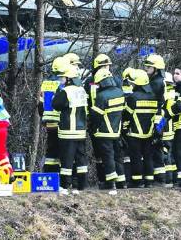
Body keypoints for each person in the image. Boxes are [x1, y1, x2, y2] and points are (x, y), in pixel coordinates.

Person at [88, 54, 126, 192]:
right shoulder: (119, 90)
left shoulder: (101, 95)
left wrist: (92, 126)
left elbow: (96, 114)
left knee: (107, 156)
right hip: (116, 129)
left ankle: (111, 184)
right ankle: (121, 183)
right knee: (117, 156)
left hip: (103, 129)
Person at [51, 57, 89, 194]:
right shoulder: (82, 90)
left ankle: (65, 186)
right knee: (81, 160)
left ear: (68, 78)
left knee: (66, 160)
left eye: (62, 77)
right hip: (81, 131)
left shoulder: (66, 91)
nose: (61, 79)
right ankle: (81, 186)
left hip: (68, 131)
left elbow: (56, 105)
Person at [122, 67, 158, 188]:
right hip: (149, 133)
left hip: (134, 133)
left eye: (132, 83)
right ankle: (149, 181)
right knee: (148, 157)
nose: (131, 85)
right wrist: (157, 130)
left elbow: (126, 116)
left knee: (136, 157)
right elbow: (158, 115)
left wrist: (124, 129)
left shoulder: (133, 97)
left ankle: (136, 181)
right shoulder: (153, 96)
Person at [144, 54, 167, 185]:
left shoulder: (156, 83)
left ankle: (159, 179)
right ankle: (160, 178)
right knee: (156, 146)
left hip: (158, 119)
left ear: (156, 68)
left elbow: (153, 100)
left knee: (156, 146)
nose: (146, 68)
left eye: (149, 66)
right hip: (160, 118)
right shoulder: (157, 81)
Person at [39, 58, 63, 173]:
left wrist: (43, 118)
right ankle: (59, 175)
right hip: (59, 120)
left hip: (48, 121)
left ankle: (49, 174)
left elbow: (40, 104)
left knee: (51, 148)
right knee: (61, 148)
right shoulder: (61, 83)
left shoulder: (45, 83)